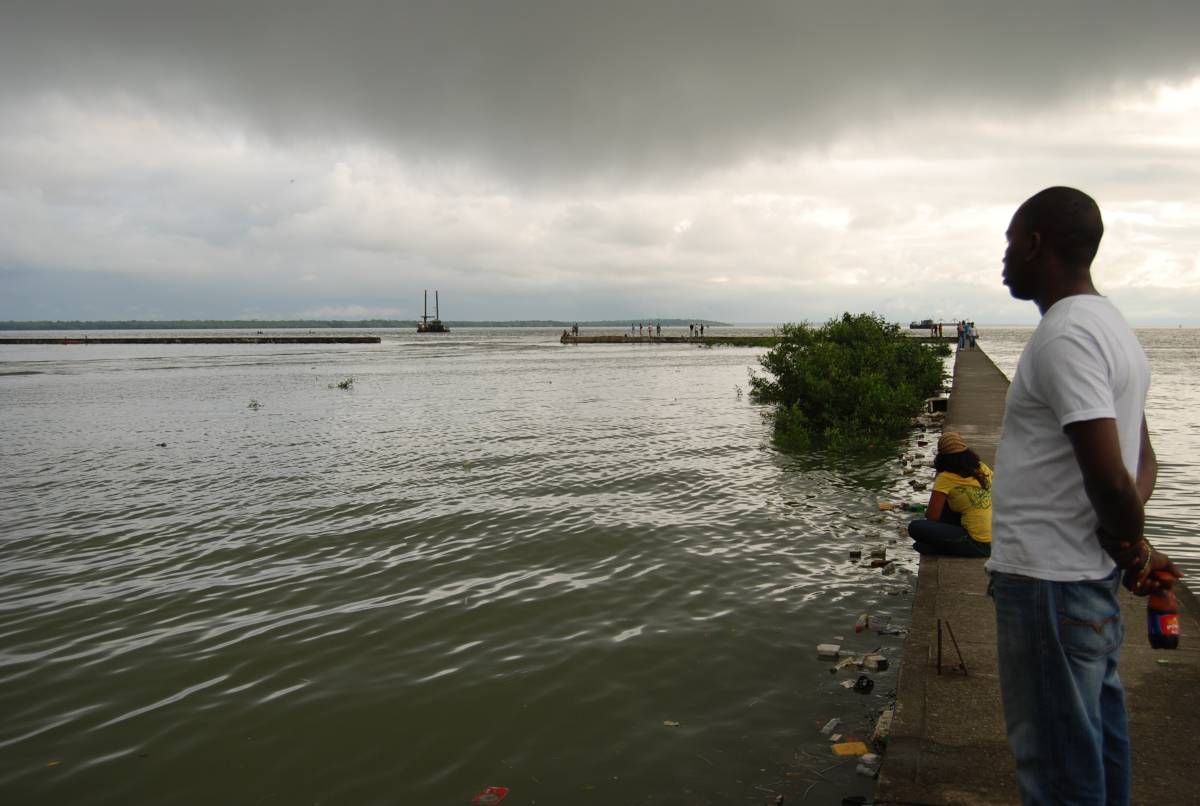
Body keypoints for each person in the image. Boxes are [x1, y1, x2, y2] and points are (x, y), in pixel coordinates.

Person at [988, 187, 1181, 806]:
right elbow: (1142, 457)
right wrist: (1131, 542)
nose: (1005, 256)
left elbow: (1110, 473)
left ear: (1037, 243)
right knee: (1097, 744)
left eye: (1011, 241)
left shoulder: (1066, 334)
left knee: (1056, 772)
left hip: (1049, 582)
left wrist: (1126, 536)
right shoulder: (1112, 327)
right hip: (1083, 582)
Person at [906, 432, 992, 557]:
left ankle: (938, 548)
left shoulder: (945, 478)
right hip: (997, 541)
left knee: (915, 527)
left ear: (942, 457)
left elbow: (932, 517)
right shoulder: (982, 468)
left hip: (978, 544)